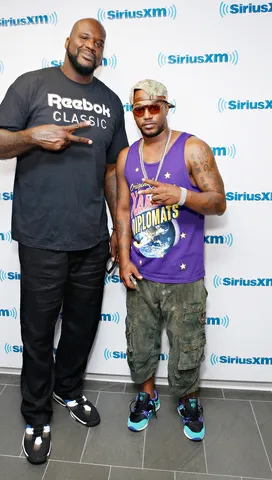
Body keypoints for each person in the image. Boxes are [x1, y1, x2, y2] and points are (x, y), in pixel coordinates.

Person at [0, 18, 128, 464]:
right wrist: (32, 136)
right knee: (39, 330)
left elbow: (110, 171)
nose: (91, 45)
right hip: (42, 235)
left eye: (99, 42)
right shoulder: (31, 85)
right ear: (67, 42)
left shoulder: (110, 102)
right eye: (85, 37)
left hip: (89, 237)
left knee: (82, 326)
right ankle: (36, 414)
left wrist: (116, 231)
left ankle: (67, 391)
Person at [116, 79, 226, 441]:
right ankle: (146, 397)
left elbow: (218, 201)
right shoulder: (126, 156)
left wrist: (180, 194)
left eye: (154, 107)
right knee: (141, 343)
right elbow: (122, 208)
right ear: (133, 112)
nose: (146, 115)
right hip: (141, 273)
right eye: (138, 109)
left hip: (185, 276)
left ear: (166, 107)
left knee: (188, 344)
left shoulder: (192, 148)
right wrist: (123, 257)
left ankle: (188, 400)